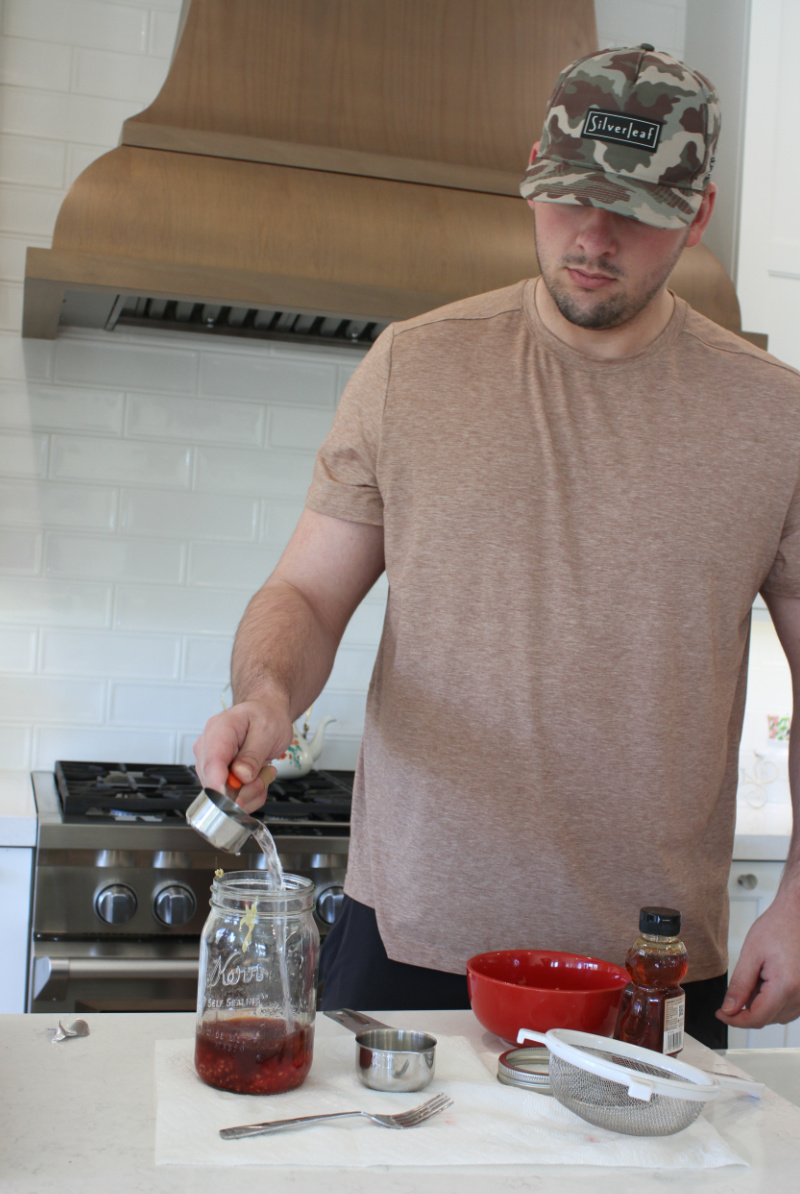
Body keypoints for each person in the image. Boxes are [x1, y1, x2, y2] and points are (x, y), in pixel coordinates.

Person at [194, 45, 800, 1049]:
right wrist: (264, 697)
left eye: (636, 211)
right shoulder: (411, 368)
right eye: (567, 198)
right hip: (407, 942)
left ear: (695, 215)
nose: (592, 237)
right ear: (531, 171)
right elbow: (303, 593)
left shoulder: (774, 420)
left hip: (645, 969)